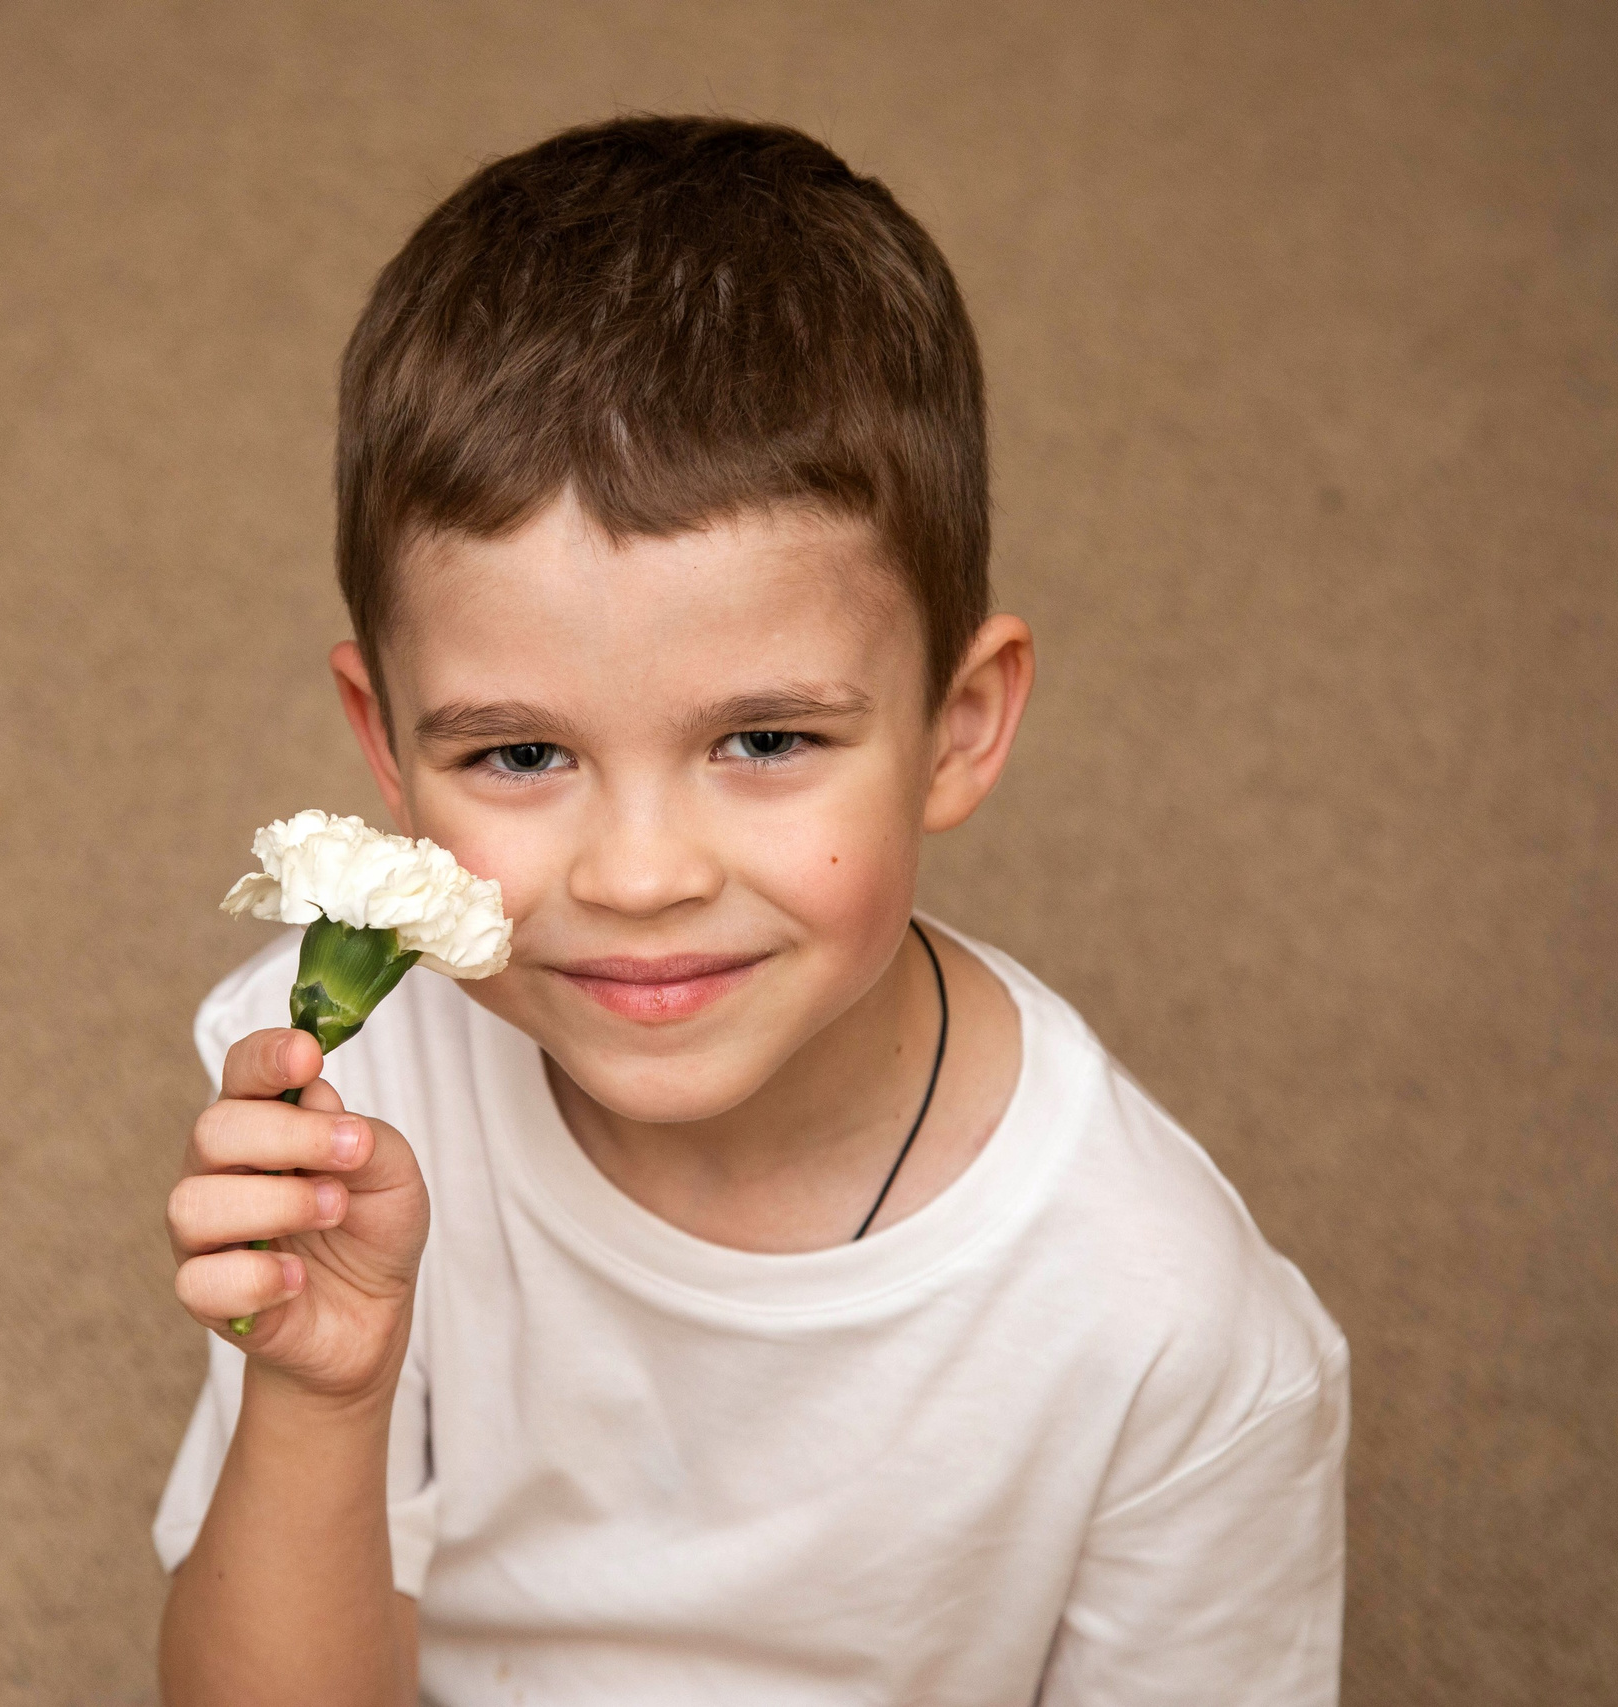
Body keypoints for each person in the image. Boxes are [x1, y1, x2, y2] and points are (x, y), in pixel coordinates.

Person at [153, 115, 1347, 1707]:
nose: (640, 879)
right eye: (521, 753)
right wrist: (319, 1398)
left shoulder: (1166, 1330)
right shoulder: (361, 1094)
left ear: (962, 722)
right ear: (385, 748)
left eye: (765, 740)